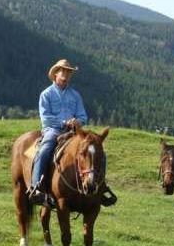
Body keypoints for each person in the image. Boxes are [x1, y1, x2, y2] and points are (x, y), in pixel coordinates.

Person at [28, 59, 116, 207]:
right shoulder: (46, 94)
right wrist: (64, 123)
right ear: (56, 73)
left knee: (98, 151)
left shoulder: (75, 95)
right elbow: (46, 118)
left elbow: (83, 116)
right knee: (45, 149)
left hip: (75, 132)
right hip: (53, 130)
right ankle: (36, 187)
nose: (66, 74)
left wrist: (77, 122)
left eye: (69, 72)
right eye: (63, 71)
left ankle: (101, 186)